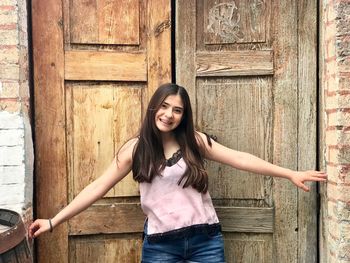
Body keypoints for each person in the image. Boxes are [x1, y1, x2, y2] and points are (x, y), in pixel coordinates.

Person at [29, 83, 327, 263]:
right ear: (153, 108)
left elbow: (239, 158)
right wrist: (54, 221)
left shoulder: (194, 142)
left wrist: (289, 173)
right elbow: (97, 187)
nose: (169, 114)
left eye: (178, 110)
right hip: (161, 246)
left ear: (184, 115)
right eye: (164, 106)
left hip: (205, 240)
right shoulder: (135, 149)